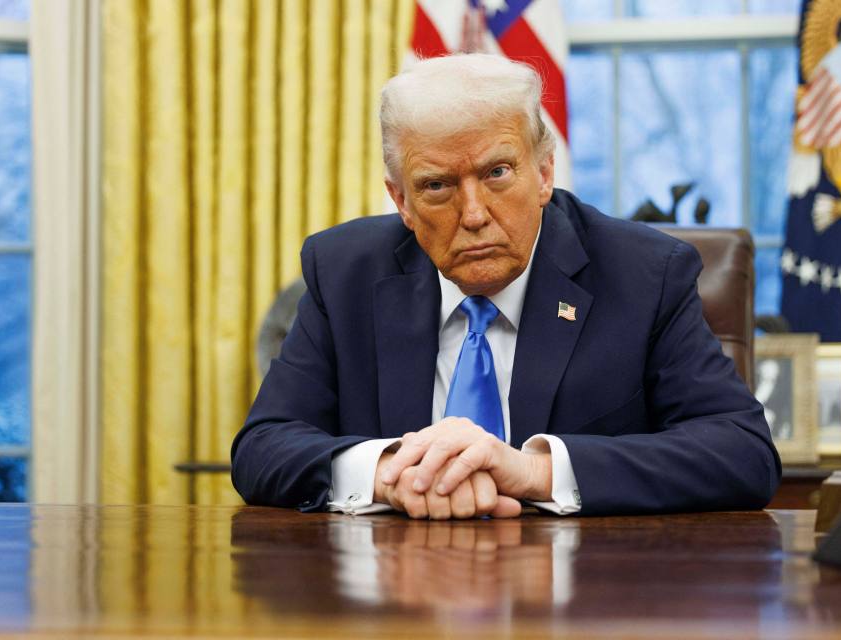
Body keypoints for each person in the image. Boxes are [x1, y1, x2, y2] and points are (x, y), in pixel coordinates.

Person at [231, 53, 781, 519]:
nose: (473, 215)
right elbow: (261, 447)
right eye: (437, 185)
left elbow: (742, 452)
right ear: (400, 200)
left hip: (582, 597)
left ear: (543, 173)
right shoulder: (345, 270)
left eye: (497, 173)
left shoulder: (643, 274)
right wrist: (389, 472)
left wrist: (535, 471)